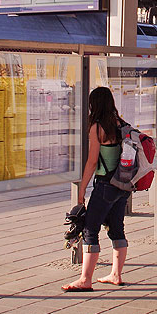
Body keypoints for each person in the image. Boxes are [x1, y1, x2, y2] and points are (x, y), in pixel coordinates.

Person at [63, 87, 130, 292]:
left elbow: (92, 162)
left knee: (90, 229)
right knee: (117, 227)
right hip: (122, 185)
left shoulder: (98, 127)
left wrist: (82, 189)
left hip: (105, 185)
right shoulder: (120, 124)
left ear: (95, 104)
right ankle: (116, 274)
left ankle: (85, 279)